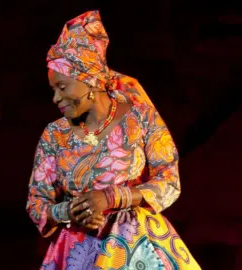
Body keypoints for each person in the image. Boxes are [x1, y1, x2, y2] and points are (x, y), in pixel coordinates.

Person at [26, 10, 201, 269]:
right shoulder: (55, 135)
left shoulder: (139, 117)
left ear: (90, 81)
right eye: (53, 90)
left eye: (63, 87)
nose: (56, 98)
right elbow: (36, 201)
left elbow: (169, 181)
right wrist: (67, 211)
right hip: (77, 252)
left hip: (138, 248)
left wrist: (111, 197)